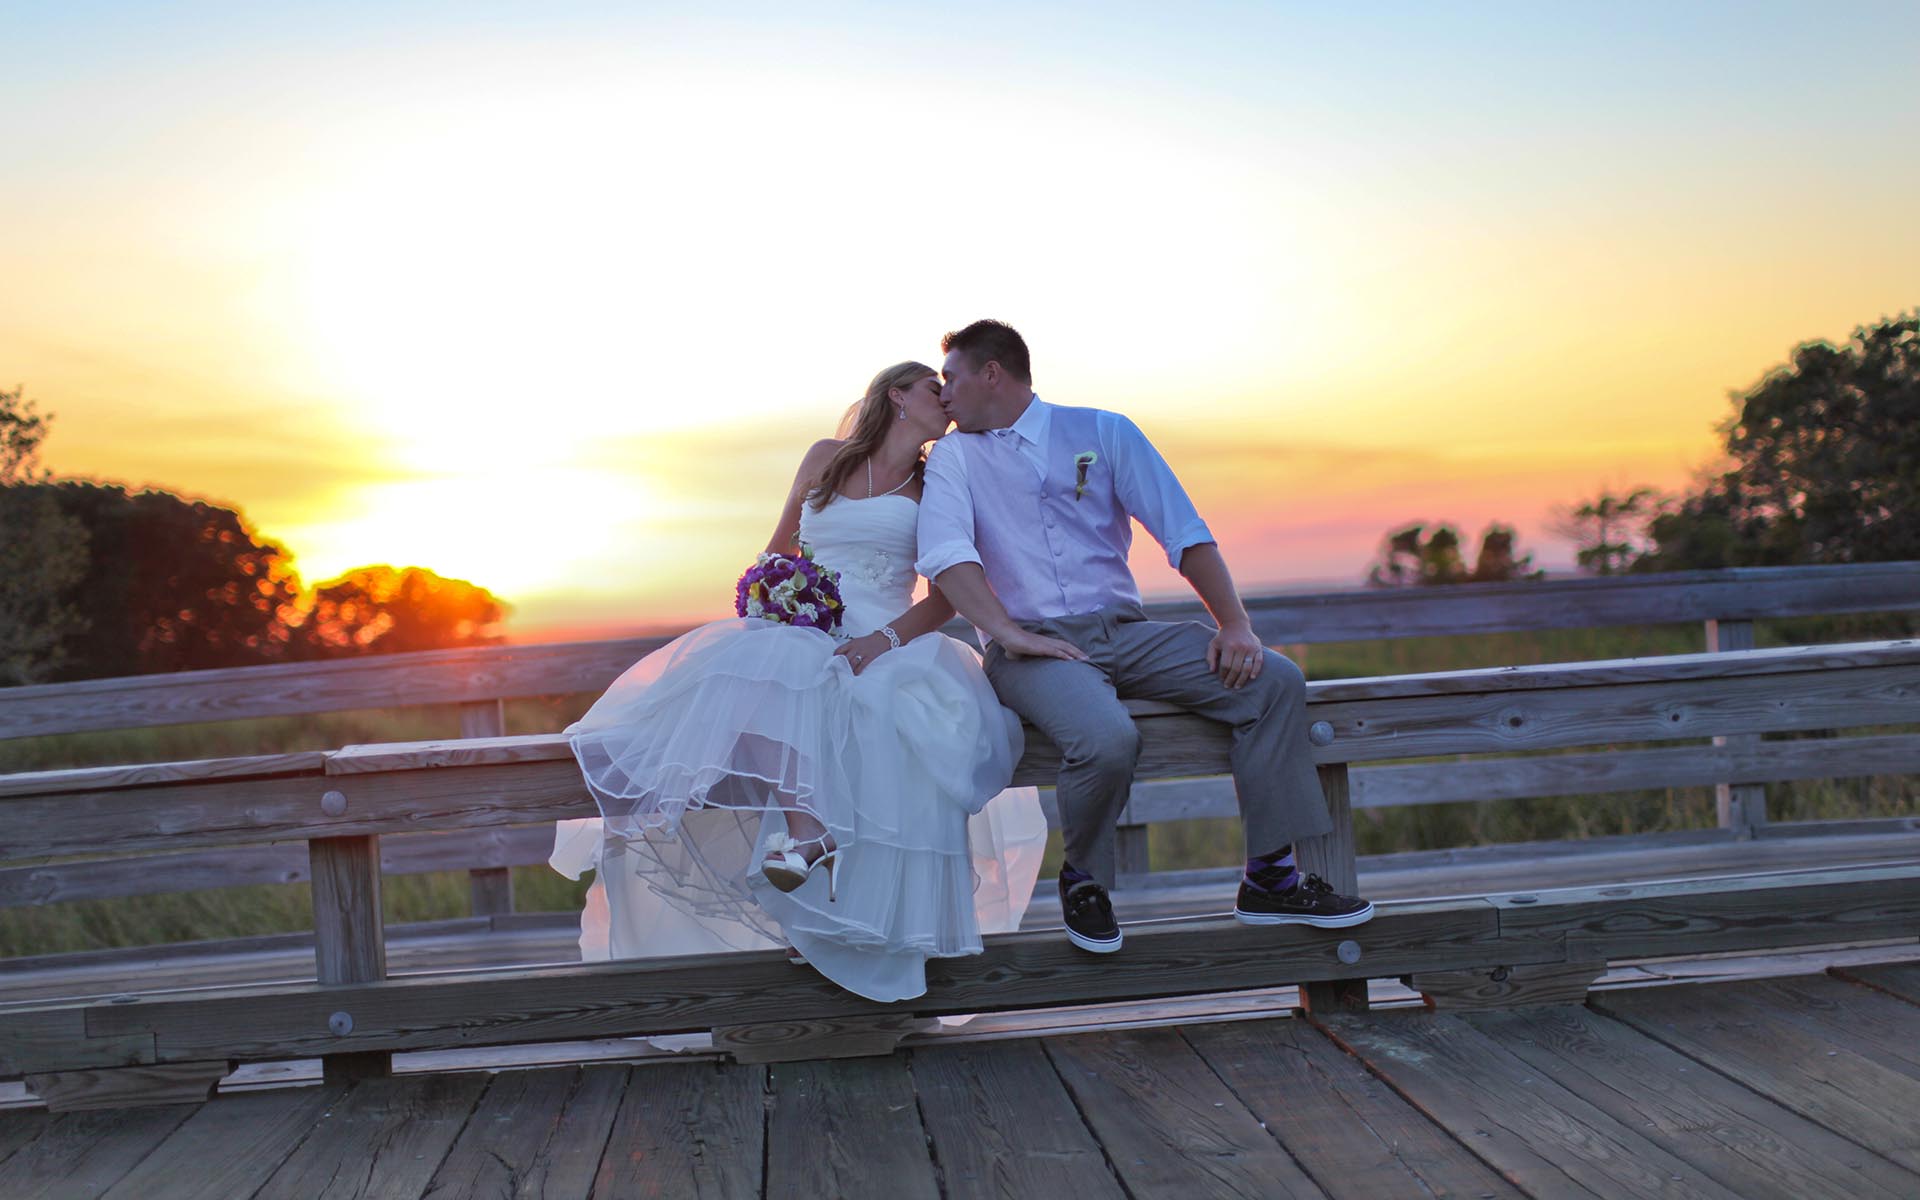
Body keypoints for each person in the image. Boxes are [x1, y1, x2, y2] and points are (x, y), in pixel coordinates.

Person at [551, 361, 1060, 1002]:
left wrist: (884, 640)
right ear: (898, 396)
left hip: (888, 633)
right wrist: (776, 597)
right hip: (804, 625)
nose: (949, 400)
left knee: (876, 711)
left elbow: (947, 595)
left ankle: (849, 920)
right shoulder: (825, 457)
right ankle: (809, 832)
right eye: (937, 389)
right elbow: (777, 553)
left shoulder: (938, 484)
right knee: (760, 671)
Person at [916, 320, 1375, 955]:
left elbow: (1182, 530)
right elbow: (946, 555)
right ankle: (1084, 882)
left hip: (1126, 633)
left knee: (1274, 680)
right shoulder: (954, 457)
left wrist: (1234, 624)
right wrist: (1007, 635)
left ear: (991, 372)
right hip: (1033, 644)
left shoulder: (1105, 432)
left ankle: (1270, 877)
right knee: (1106, 737)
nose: (944, 395)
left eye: (951, 378)